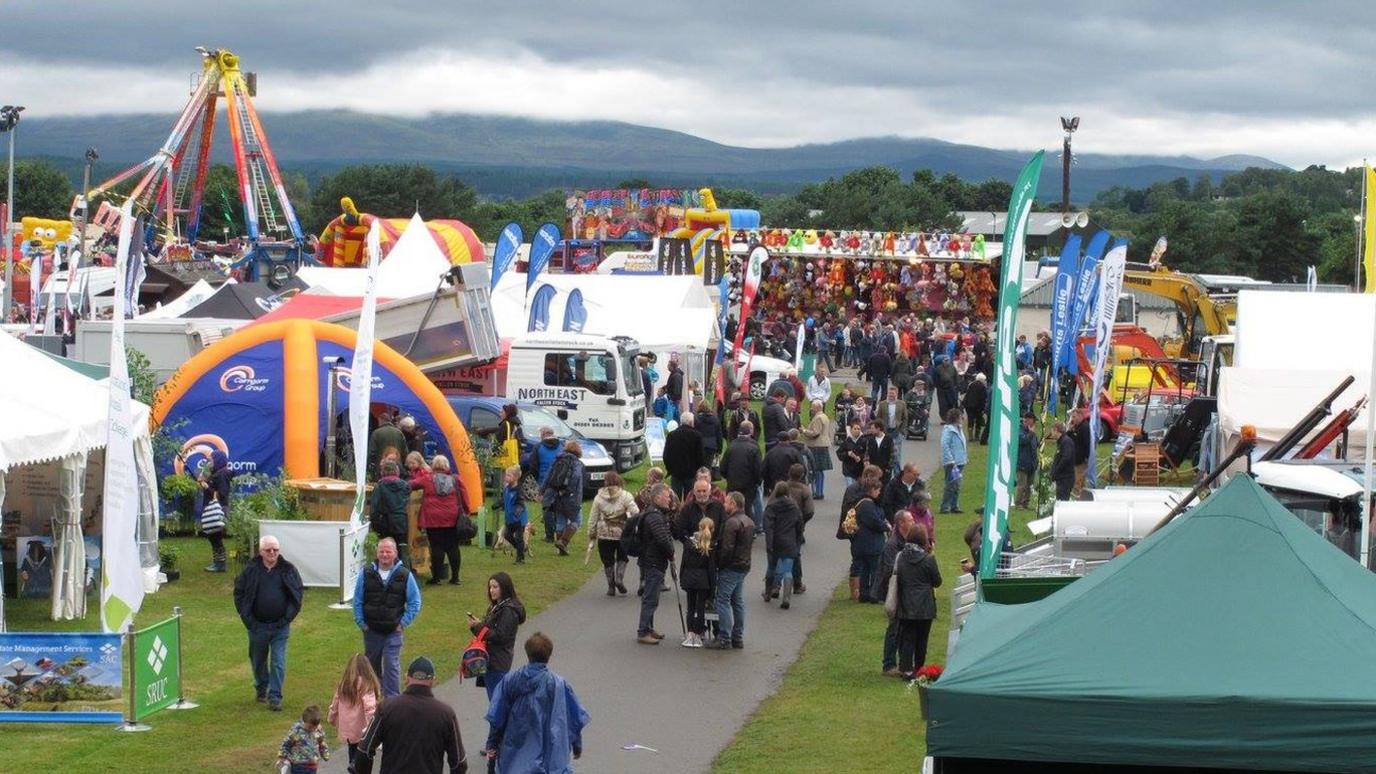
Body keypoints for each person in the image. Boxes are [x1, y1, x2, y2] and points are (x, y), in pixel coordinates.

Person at [484, 632, 590, 773]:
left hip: (515, 755)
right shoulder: (558, 684)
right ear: (549, 655)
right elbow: (573, 718)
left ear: (528, 653)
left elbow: (497, 718)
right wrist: (577, 745)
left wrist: (492, 749)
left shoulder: (510, 681)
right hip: (549, 758)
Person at [355, 656, 468, 774]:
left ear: (406, 678)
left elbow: (364, 751)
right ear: (432, 681)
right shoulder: (446, 714)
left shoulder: (386, 708)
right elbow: (459, 763)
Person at [234, 535, 304, 711]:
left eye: (275, 549)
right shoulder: (250, 570)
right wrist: (248, 619)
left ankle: (275, 696)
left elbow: (296, 596)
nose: (272, 553)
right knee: (258, 661)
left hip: (280, 627)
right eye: (268, 550)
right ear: (261, 552)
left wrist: (286, 619)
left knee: (278, 661)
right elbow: (239, 593)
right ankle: (261, 687)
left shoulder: (288, 570)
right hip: (257, 626)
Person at [353, 538, 423, 699]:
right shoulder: (366, 573)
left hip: (393, 631)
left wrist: (403, 623)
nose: (384, 554)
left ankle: (392, 701)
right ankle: (373, 699)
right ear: (377, 553)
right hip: (371, 631)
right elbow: (358, 600)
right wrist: (361, 623)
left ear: (395, 553)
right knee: (371, 666)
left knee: (391, 665)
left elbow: (415, 602)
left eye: (388, 551)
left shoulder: (404, 575)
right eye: (381, 551)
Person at [675, 480, 724, 646]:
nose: (702, 494)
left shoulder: (718, 508)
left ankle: (711, 631)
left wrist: (713, 544)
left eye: (704, 491)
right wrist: (689, 543)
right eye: (699, 491)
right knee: (694, 603)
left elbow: (723, 528)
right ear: (694, 492)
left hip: (711, 556)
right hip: (693, 555)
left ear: (709, 491)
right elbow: (679, 530)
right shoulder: (687, 509)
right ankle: (696, 632)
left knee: (707, 602)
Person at [467, 572, 527, 701]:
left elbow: (500, 636)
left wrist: (478, 627)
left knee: (497, 704)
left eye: (495, 587)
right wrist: (478, 625)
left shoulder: (508, 610)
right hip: (491, 660)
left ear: (504, 588)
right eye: (490, 587)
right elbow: (490, 629)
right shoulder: (497, 606)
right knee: (496, 701)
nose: (491, 590)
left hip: (498, 661)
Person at [894, 524, 942, 678]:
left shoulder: (901, 557)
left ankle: (906, 668)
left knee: (907, 638)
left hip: (906, 602)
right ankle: (919, 668)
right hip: (925, 605)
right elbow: (937, 581)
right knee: (922, 640)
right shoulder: (928, 559)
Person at [412, 455, 469, 586]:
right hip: (452, 517)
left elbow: (412, 484)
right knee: (453, 547)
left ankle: (436, 578)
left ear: (433, 466)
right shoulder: (455, 479)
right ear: (447, 466)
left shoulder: (427, 479)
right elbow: (464, 495)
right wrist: (467, 511)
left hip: (432, 519)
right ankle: (455, 577)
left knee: (436, 547)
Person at [707, 492, 754, 650]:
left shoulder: (731, 523)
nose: (724, 505)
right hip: (744, 565)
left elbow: (727, 548)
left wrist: (720, 564)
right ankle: (737, 636)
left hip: (731, 566)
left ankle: (724, 636)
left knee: (723, 600)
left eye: (726, 502)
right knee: (737, 601)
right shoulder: (749, 521)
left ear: (733, 504)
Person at [635, 484, 676, 645]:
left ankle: (649, 628)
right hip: (653, 562)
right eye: (667, 496)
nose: (669, 499)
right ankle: (643, 631)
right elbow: (662, 539)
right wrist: (671, 553)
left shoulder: (657, 513)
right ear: (658, 497)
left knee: (653, 596)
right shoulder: (654, 516)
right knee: (650, 598)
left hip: (653, 561)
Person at [587, 471, 638, 596]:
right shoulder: (626, 495)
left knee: (607, 558)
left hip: (604, 532)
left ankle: (611, 586)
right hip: (622, 531)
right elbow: (635, 512)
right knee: (622, 555)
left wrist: (591, 533)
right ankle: (619, 579)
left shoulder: (598, 497)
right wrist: (630, 522)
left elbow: (593, 517)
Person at [329, 653, 381, 771]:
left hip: (348, 729)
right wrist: (372, 727)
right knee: (364, 755)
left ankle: (353, 764)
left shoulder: (344, 684)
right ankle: (356, 765)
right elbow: (370, 709)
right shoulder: (366, 685)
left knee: (352, 750)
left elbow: (335, 704)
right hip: (362, 729)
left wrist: (331, 718)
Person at [878, 511, 915, 676]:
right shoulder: (892, 545)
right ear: (901, 523)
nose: (913, 522)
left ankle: (902, 663)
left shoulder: (908, 541)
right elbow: (888, 570)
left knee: (903, 629)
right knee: (894, 628)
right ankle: (888, 664)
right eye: (910, 520)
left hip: (906, 591)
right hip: (895, 591)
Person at [762, 482, 804, 609]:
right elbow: (799, 526)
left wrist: (769, 543)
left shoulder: (771, 507)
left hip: (775, 541)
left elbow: (767, 527)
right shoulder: (794, 507)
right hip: (789, 542)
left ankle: (768, 593)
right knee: (787, 570)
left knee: (771, 567)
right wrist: (797, 541)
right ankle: (786, 598)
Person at [543, 440, 584, 555]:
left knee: (560, 521)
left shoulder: (558, 459)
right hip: (572, 497)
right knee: (577, 521)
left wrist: (542, 491)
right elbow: (576, 477)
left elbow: (548, 476)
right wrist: (568, 490)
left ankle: (560, 550)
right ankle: (563, 542)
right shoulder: (577, 463)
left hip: (556, 495)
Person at [850, 478, 888, 603]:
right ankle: (874, 595)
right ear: (872, 490)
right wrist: (886, 526)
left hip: (861, 543)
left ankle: (864, 594)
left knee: (865, 570)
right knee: (875, 570)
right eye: (878, 490)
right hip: (871, 543)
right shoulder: (868, 505)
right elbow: (875, 522)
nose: (879, 492)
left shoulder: (860, 502)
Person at [369, 460, 412, 566]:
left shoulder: (379, 486)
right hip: (401, 520)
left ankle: (386, 569)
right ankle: (404, 570)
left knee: (385, 549)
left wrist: (374, 523)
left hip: (384, 521)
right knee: (401, 548)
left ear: (382, 472)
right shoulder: (405, 486)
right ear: (396, 471)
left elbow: (375, 506)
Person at [198, 448, 233, 572]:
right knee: (212, 536)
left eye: (211, 459)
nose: (209, 462)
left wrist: (207, 487)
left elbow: (222, 493)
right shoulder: (216, 472)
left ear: (218, 460)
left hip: (218, 509)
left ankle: (220, 563)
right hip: (213, 508)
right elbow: (204, 479)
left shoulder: (222, 474)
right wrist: (205, 477)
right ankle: (217, 562)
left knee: (215, 536)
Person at [720, 422, 763, 520]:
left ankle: (732, 529)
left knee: (732, 508)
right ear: (750, 431)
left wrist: (729, 477)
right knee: (747, 508)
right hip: (749, 485)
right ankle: (749, 530)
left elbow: (722, 467)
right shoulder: (754, 447)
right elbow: (758, 469)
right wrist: (758, 482)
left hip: (733, 483)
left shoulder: (731, 446)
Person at [277, 704, 329, 774]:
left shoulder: (318, 729)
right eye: (310, 727)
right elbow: (286, 743)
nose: (312, 729)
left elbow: (321, 742)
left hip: (312, 764)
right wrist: (282, 756)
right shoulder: (296, 730)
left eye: (315, 727)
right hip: (298, 764)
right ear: (304, 721)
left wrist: (324, 753)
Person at [663, 412, 705, 497]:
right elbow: (700, 456)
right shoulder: (697, 436)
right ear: (691, 422)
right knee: (690, 499)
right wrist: (697, 469)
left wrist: (670, 469)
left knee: (675, 499)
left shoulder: (672, 435)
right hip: (691, 473)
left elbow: (666, 455)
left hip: (676, 473)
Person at [800, 399, 833, 499]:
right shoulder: (824, 416)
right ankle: (819, 491)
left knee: (817, 470)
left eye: (813, 407)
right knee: (820, 471)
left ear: (818, 407)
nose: (811, 409)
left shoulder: (818, 418)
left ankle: (818, 492)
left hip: (817, 446)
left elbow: (815, 433)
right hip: (822, 446)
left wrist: (804, 430)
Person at [875, 386, 908, 476]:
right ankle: (887, 473)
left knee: (896, 456)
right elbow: (878, 418)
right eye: (889, 394)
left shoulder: (902, 404)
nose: (891, 396)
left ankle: (897, 475)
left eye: (893, 394)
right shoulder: (882, 404)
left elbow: (905, 418)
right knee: (886, 454)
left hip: (897, 432)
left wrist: (901, 430)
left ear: (896, 394)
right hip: (886, 432)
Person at [939, 409, 968, 514]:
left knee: (957, 485)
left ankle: (954, 505)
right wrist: (951, 460)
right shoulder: (949, 430)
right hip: (952, 462)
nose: (963, 418)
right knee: (951, 484)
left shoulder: (959, 429)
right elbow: (945, 445)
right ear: (956, 418)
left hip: (960, 461)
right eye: (961, 416)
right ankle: (945, 506)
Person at [500, 465, 528, 564]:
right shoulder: (507, 488)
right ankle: (520, 549)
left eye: (509, 475)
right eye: (506, 475)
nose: (506, 477)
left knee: (519, 538)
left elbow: (521, 504)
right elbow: (504, 499)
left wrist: (517, 513)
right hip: (510, 519)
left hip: (519, 520)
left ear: (515, 477)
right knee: (507, 535)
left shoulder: (519, 490)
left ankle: (520, 559)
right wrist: (498, 504)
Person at [762, 431, 803, 496]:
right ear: (789, 439)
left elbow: (764, 469)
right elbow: (801, 467)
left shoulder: (771, 452)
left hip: (774, 483)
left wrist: (767, 484)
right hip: (791, 483)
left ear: (778, 440)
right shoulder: (794, 452)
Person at [367, 415, 407, 479]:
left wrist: (369, 466)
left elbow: (372, 451)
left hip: (382, 467)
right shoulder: (399, 433)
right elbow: (405, 452)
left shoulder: (376, 433)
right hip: (397, 466)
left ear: (381, 420)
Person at [1016, 414, 1040, 508]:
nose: (1034, 424)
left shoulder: (1033, 433)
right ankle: (1018, 503)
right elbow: (1023, 440)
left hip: (1032, 464)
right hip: (1022, 463)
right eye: (1033, 422)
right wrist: (1031, 433)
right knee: (1021, 485)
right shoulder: (1020, 431)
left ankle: (1025, 503)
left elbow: (1035, 445)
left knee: (1030, 486)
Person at [1050, 421, 1077, 501]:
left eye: (1052, 431)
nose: (1051, 433)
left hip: (1065, 478)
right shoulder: (1061, 442)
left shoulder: (1066, 442)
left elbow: (1066, 458)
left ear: (1056, 430)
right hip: (1061, 477)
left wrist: (1056, 471)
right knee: (1060, 499)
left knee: (1062, 501)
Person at [695, 399, 723, 472]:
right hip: (711, 446)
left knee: (698, 468)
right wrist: (719, 450)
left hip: (699, 446)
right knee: (708, 467)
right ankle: (707, 481)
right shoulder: (715, 420)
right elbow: (719, 436)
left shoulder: (696, 419)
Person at [1070, 407, 1092, 496]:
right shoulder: (1076, 426)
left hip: (1081, 460)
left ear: (1080, 416)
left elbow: (1087, 444)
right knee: (1080, 482)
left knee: (1077, 482)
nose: (1072, 419)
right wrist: (1069, 430)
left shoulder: (1085, 427)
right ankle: (1082, 498)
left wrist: (1086, 457)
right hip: (1075, 459)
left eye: (1074, 417)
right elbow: (1070, 439)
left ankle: (1077, 499)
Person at [837, 419, 866, 485]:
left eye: (858, 429)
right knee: (850, 488)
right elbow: (839, 454)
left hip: (860, 471)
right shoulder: (847, 441)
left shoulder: (864, 441)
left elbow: (868, 453)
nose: (857, 430)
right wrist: (847, 454)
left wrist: (860, 457)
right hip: (848, 470)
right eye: (855, 429)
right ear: (851, 430)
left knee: (858, 491)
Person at [963, 373, 989, 444]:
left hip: (969, 406)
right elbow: (983, 398)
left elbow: (967, 395)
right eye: (984, 380)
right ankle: (977, 437)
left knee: (970, 421)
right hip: (978, 407)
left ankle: (970, 437)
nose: (985, 381)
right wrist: (983, 409)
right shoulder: (982, 387)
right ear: (982, 379)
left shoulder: (971, 384)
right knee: (978, 421)